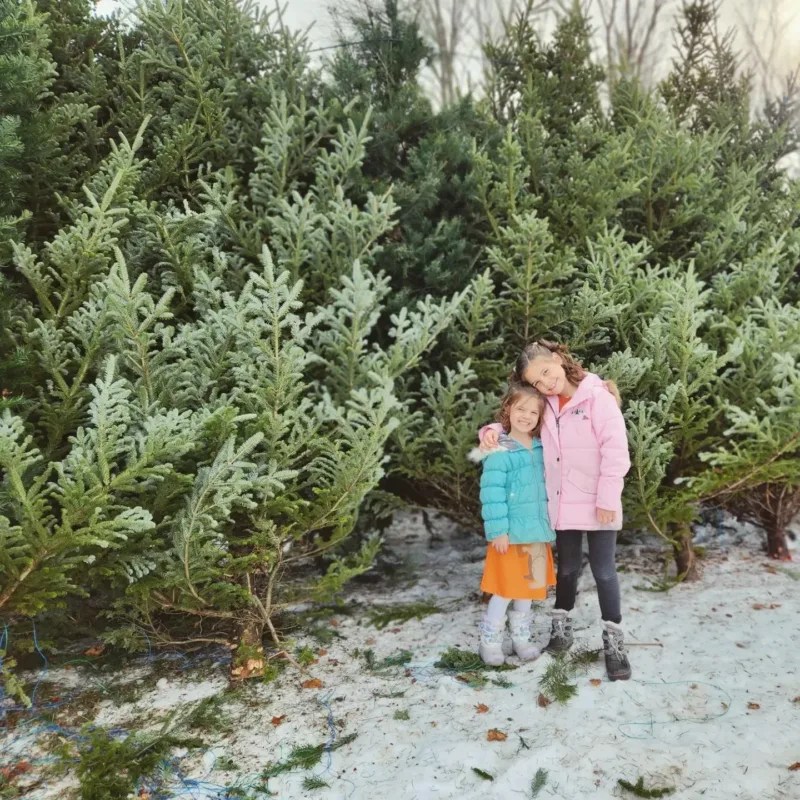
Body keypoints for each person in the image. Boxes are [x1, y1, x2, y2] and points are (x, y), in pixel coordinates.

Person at [479, 339, 632, 681]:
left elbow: (616, 451)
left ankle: (614, 641)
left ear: (559, 359)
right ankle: (561, 627)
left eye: (547, 372)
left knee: (605, 571)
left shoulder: (597, 398)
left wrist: (607, 497)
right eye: (537, 381)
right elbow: (517, 424)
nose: (546, 383)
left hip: (599, 504)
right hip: (561, 505)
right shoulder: (546, 404)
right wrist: (490, 432)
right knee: (567, 571)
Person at [470, 382, 556, 666]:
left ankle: (521, 639)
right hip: (510, 534)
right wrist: (498, 531)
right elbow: (491, 491)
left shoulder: (544, 448)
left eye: (533, 412)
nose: (526, 416)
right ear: (508, 409)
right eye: (521, 409)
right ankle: (490, 642)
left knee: (528, 591)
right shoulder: (500, 448)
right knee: (505, 590)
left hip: (536, 532)